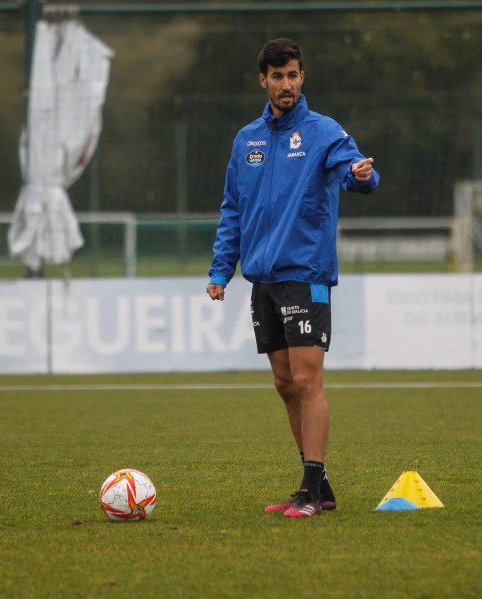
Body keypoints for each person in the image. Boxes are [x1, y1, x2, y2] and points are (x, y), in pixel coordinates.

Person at [206, 38, 379, 518]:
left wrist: (362, 176)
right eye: (278, 76)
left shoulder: (324, 132)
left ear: (303, 78)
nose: (287, 84)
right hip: (263, 278)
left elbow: (355, 171)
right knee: (285, 383)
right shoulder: (247, 140)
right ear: (263, 79)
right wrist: (222, 268)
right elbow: (232, 209)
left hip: (306, 274)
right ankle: (319, 487)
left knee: (307, 379)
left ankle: (309, 492)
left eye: (294, 75)